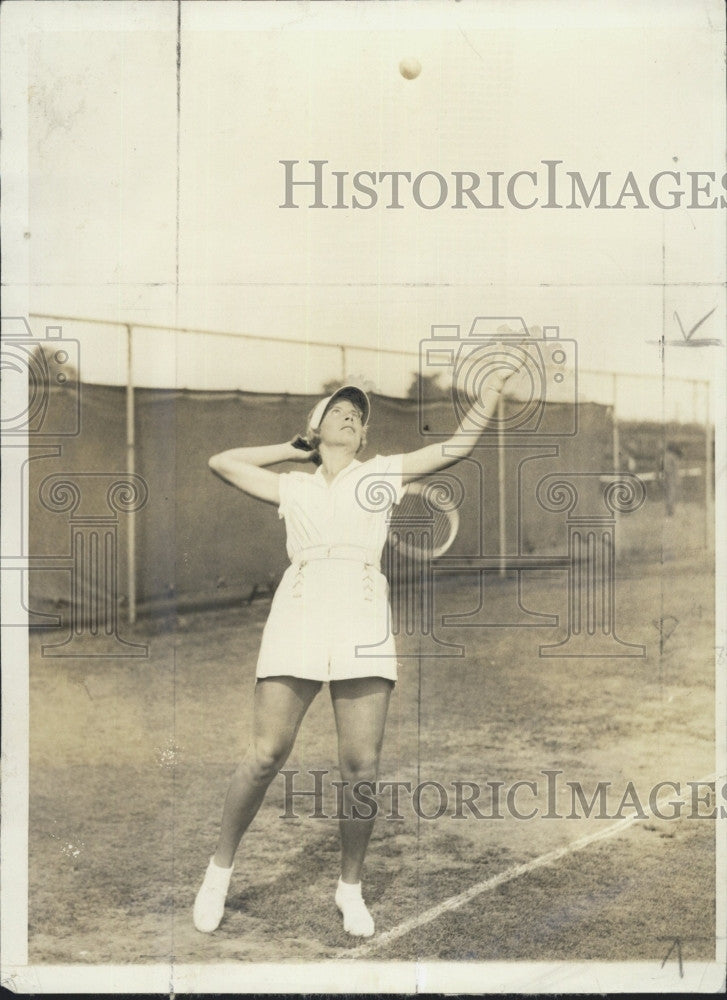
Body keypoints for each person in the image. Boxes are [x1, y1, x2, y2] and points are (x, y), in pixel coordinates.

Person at [194, 365, 522, 938]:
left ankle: (350, 890)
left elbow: (457, 445)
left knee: (360, 766)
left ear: (365, 436)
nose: (350, 414)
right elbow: (221, 462)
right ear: (315, 428)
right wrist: (290, 448)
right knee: (267, 753)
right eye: (337, 410)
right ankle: (218, 874)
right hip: (297, 611)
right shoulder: (291, 484)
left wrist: (490, 393)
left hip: (363, 613)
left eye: (358, 415)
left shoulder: (382, 474)